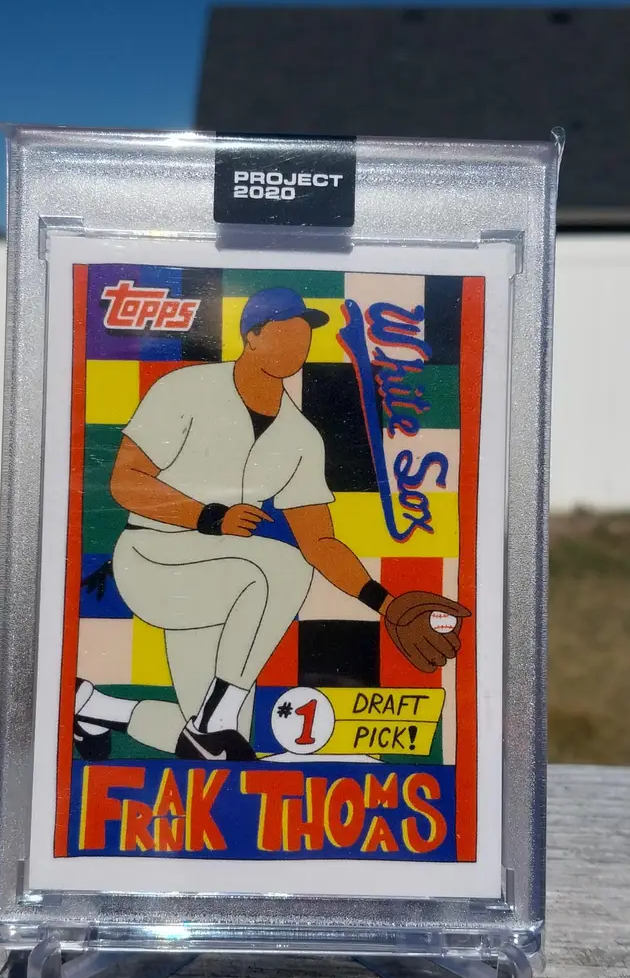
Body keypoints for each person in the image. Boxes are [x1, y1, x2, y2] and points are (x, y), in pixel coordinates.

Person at [74, 286, 469, 762]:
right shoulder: (186, 389)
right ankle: (215, 718)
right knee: (283, 566)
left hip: (225, 579)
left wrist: (385, 604)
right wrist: (207, 516)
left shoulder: (299, 436)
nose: (298, 347)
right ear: (252, 336)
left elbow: (319, 540)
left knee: (213, 754)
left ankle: (94, 708)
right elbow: (125, 481)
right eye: (286, 335)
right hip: (152, 557)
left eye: (304, 338)